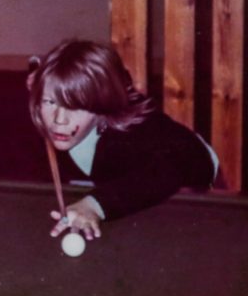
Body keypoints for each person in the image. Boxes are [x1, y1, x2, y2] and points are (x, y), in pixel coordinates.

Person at [28, 39, 218, 241]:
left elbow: (168, 170)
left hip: (197, 175)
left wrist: (94, 205)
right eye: (50, 101)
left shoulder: (132, 134)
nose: (59, 119)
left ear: (102, 106)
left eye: (75, 105)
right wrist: (51, 86)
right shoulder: (60, 115)